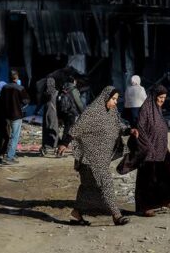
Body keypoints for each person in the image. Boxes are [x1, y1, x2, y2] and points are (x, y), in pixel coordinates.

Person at [57, 86, 138, 226]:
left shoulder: (112, 112)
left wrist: (129, 131)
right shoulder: (91, 112)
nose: (115, 102)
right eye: (113, 99)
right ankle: (116, 215)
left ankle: (77, 214)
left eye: (116, 99)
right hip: (89, 157)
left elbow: (119, 127)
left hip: (101, 157)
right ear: (105, 97)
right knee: (106, 183)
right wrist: (64, 143)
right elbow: (75, 129)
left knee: (87, 187)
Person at [117, 85, 170, 217]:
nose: (162, 100)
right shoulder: (145, 109)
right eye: (160, 97)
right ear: (153, 96)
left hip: (161, 149)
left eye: (164, 98)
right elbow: (140, 128)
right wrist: (148, 148)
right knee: (147, 179)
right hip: (147, 149)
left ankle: (167, 200)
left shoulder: (157, 109)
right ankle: (144, 207)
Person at [0, 70, 30, 164]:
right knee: (14, 136)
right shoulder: (20, 88)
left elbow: (1, 100)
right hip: (16, 115)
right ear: (17, 78)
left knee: (10, 136)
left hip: (6, 115)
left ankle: (10, 154)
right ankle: (9, 157)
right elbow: (26, 101)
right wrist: (20, 105)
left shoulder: (4, 87)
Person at [58, 75, 85, 144]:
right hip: (71, 112)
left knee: (62, 128)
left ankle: (59, 142)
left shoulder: (62, 89)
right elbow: (78, 102)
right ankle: (63, 144)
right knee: (68, 128)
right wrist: (83, 112)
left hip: (62, 111)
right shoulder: (73, 89)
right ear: (73, 81)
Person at [40, 77, 59, 156]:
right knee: (54, 130)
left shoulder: (44, 93)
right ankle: (54, 146)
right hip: (54, 113)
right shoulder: (56, 92)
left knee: (46, 130)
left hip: (46, 114)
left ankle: (45, 146)